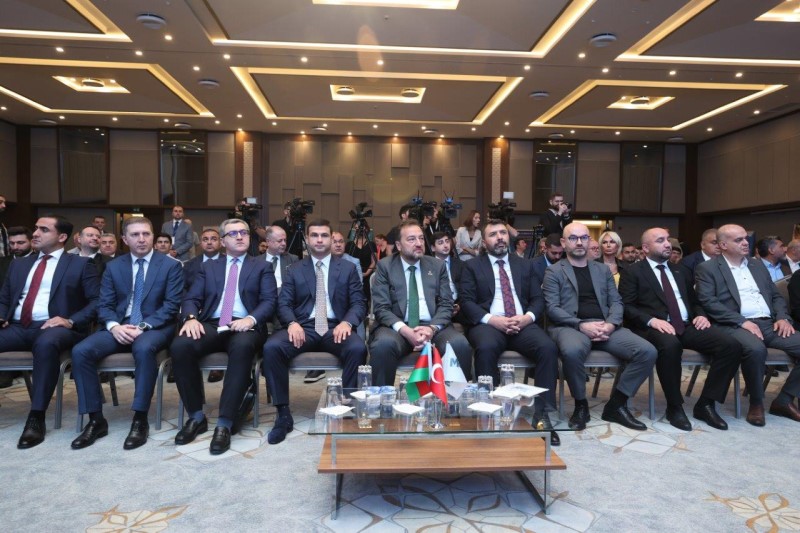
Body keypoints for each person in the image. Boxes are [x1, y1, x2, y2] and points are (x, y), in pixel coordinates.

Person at [70, 217, 184, 450]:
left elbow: (171, 306)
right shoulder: (114, 266)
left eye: (146, 234)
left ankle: (140, 419)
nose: (141, 239)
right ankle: (95, 420)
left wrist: (142, 326)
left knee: (143, 348)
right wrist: (114, 326)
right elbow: (105, 304)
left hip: (154, 327)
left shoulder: (170, 265)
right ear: (124, 239)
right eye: (135, 235)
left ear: (153, 236)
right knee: (81, 351)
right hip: (119, 326)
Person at [170, 219, 277, 454]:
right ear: (223, 241)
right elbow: (191, 298)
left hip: (245, 325)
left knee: (242, 347)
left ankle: (225, 422)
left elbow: (269, 301)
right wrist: (190, 318)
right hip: (211, 323)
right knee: (180, 346)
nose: (240, 236)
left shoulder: (261, 266)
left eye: (244, 232)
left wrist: (251, 319)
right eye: (233, 233)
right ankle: (196, 416)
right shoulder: (209, 267)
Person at [618, 228, 742, 431]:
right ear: (646, 248)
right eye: (660, 240)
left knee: (731, 346)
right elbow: (627, 306)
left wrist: (700, 314)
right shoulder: (633, 272)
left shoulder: (681, 270)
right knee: (670, 345)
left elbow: (695, 301)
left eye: (667, 240)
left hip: (686, 324)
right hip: (653, 327)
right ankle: (674, 407)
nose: (668, 244)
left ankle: (706, 404)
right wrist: (651, 320)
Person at [542, 222, 657, 432]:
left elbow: (616, 302)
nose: (579, 242)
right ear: (564, 243)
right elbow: (552, 308)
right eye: (573, 238)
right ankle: (581, 405)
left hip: (605, 325)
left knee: (647, 351)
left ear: (589, 241)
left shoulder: (602, 270)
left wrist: (611, 324)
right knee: (572, 351)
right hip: (571, 326)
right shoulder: (554, 271)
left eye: (583, 238)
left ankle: (617, 405)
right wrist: (581, 324)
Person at [262, 219, 367, 445]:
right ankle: (283, 414)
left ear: (331, 238)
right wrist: (292, 323)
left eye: (324, 235)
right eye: (314, 235)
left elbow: (359, 303)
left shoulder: (347, 268)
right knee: (272, 347)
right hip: (304, 327)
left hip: (335, 326)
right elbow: (283, 303)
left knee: (358, 348)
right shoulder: (294, 269)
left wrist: (347, 323)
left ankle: (346, 407)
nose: (319, 240)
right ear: (307, 240)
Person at [0, 215, 99, 448]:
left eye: (44, 230)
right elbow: (4, 298)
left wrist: (70, 320)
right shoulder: (19, 264)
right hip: (17, 327)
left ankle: (36, 417)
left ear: (62, 237)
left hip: (57, 328)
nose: (35, 233)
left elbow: (97, 302)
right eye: (36, 228)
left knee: (46, 344)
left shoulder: (80, 264)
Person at [459, 219, 560, 445]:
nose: (500, 237)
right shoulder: (472, 266)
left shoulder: (525, 265)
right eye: (493, 234)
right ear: (484, 242)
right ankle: (489, 412)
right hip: (489, 324)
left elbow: (538, 299)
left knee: (548, 348)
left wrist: (527, 318)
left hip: (521, 323)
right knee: (485, 348)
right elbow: (466, 302)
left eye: (503, 233)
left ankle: (542, 415)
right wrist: (493, 320)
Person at [695, 224, 800, 426]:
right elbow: (708, 302)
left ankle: (784, 400)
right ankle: (756, 403)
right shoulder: (708, 268)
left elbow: (776, 296)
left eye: (745, 238)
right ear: (723, 245)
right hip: (734, 324)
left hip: (769, 323)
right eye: (738, 240)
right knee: (755, 349)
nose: (745, 243)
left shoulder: (756, 265)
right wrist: (742, 321)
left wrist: (782, 317)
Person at [369, 221, 472, 386]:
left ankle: (455, 398)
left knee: (459, 344)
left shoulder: (437, 266)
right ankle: (382, 397)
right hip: (397, 327)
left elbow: (446, 303)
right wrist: (406, 331)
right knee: (383, 345)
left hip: (433, 326)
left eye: (421, 238)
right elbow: (381, 308)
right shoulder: (385, 266)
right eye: (411, 239)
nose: (418, 243)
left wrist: (431, 328)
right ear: (398, 245)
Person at [431, 231, 464, 321]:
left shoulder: (460, 264)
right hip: (437, 306)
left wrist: (459, 305)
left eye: (447, 241)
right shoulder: (428, 266)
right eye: (440, 243)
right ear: (433, 248)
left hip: (458, 304)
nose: (445, 245)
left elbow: (465, 289)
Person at [183, 228, 223, 293]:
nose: (209, 242)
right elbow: (184, 289)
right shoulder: (189, 265)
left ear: (221, 243)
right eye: (205, 239)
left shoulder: (229, 263)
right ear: (201, 244)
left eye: (214, 239)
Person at [261, 225, 299, 292]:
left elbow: (297, 285)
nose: (284, 244)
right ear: (268, 241)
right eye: (280, 241)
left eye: (285, 240)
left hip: (285, 295)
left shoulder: (293, 260)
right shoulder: (256, 262)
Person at [0, 194, 8, 258]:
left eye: (4, 203)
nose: (4, 205)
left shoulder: (1, 224)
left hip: (4, 260)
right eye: (0, 202)